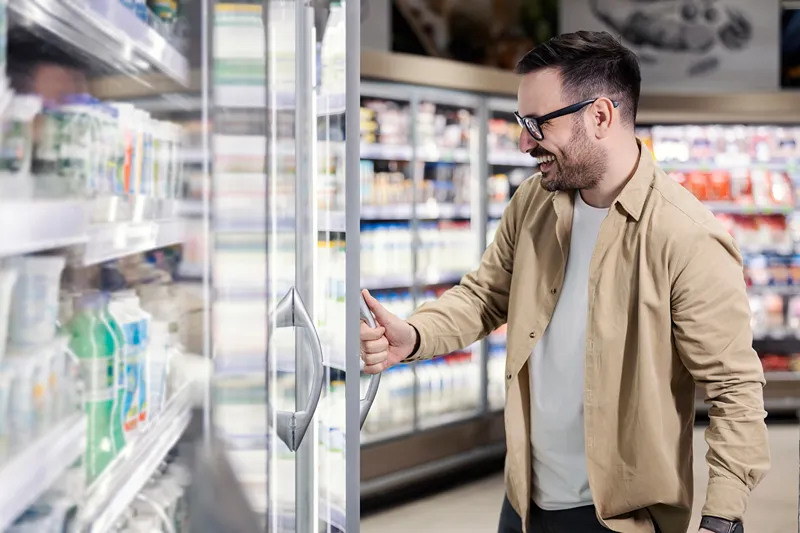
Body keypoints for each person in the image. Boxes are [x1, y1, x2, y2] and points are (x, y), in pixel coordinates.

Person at [359, 30, 769, 533]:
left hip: (620, 518)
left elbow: (734, 389)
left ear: (599, 116)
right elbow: (485, 295)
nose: (524, 141)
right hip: (524, 502)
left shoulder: (686, 237)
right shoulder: (533, 202)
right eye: (520, 122)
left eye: (537, 123)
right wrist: (416, 333)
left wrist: (721, 518)